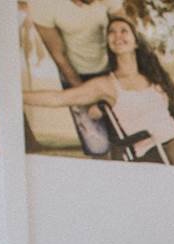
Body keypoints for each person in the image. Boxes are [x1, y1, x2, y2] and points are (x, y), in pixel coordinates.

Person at [22, 16, 174, 165]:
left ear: (136, 42)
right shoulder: (106, 84)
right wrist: (16, 95)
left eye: (124, 31)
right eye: (112, 32)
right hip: (153, 152)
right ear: (108, 43)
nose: (118, 35)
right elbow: (59, 98)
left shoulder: (155, 78)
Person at [28, 0, 120, 156]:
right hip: (75, 74)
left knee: (123, 132)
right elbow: (59, 56)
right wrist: (86, 96)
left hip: (110, 72)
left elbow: (126, 32)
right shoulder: (42, 4)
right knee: (97, 146)